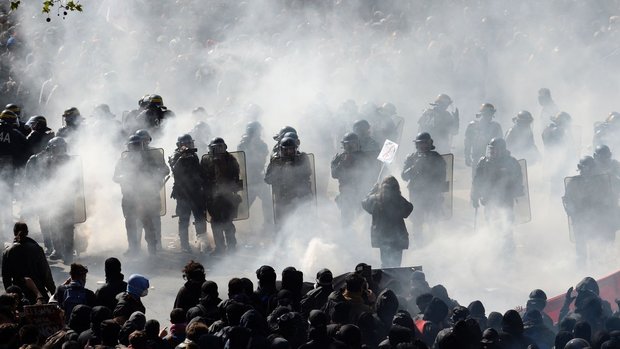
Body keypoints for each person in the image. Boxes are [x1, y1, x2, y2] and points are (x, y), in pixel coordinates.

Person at [113, 135, 169, 255]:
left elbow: (164, 170)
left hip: (145, 196)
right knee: (130, 224)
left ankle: (152, 249)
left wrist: (155, 177)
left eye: (137, 145)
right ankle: (133, 249)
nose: (135, 148)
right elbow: (115, 176)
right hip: (129, 197)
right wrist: (123, 177)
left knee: (148, 223)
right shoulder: (124, 159)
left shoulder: (149, 158)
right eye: (133, 145)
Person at [470, 138, 523, 253]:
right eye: (491, 149)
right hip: (488, 200)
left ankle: (508, 250)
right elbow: (477, 181)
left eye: (495, 150)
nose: (492, 152)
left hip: (506, 201)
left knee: (506, 225)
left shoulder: (511, 163)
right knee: (491, 223)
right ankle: (493, 247)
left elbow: (518, 182)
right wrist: (474, 196)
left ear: (502, 150)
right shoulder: (483, 162)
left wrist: (514, 192)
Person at [562, 156, 618, 263]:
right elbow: (567, 201)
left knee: (596, 249)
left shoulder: (601, 181)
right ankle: (580, 271)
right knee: (580, 252)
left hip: (597, 220)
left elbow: (609, 199)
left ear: (592, 168)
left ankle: (597, 270)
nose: (582, 170)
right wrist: (573, 212)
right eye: (580, 168)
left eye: (585, 168)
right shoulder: (574, 182)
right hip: (580, 221)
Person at [401, 132, 447, 246]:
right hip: (416, 194)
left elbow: (442, 177)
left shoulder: (436, 157)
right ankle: (418, 244)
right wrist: (414, 167)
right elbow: (404, 176)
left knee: (433, 220)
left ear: (430, 143)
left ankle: (434, 244)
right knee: (417, 220)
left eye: (425, 143)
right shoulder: (411, 158)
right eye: (420, 143)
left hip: (432, 193)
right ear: (417, 145)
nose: (423, 146)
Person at [201, 137, 243, 254]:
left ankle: (232, 247)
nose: (219, 150)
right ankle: (220, 248)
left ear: (225, 147)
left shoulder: (230, 160)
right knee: (215, 223)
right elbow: (203, 178)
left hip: (227, 197)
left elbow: (235, 178)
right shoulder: (206, 160)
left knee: (227, 222)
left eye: (221, 147)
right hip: (213, 198)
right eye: (215, 148)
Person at [42, 137, 80, 263]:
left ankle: (68, 252)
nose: (59, 151)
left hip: (67, 198)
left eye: (61, 148)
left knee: (68, 226)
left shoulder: (71, 161)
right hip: (52, 197)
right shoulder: (47, 162)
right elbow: (44, 179)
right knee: (53, 224)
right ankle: (57, 250)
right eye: (56, 148)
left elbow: (77, 180)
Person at [362, 176, 413, 267]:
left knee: (385, 264)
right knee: (396, 266)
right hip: (397, 239)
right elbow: (409, 209)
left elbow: (364, 203)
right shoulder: (398, 200)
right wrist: (398, 196)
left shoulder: (375, 199)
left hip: (382, 238)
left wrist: (373, 190)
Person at [265, 136, 314, 231]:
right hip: (283, 198)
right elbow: (267, 179)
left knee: (304, 223)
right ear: (281, 150)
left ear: (295, 149)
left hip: (300, 197)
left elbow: (308, 173)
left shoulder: (301, 159)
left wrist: (294, 170)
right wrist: (279, 172)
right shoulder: (276, 161)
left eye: (291, 150)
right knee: (282, 225)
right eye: (286, 150)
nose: (288, 153)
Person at [169, 134, 207, 253]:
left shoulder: (194, 155)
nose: (189, 146)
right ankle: (185, 245)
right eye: (186, 144)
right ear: (179, 145)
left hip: (195, 192)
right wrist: (182, 157)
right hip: (182, 193)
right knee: (184, 219)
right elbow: (174, 170)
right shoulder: (175, 156)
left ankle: (202, 243)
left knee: (200, 218)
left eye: (190, 143)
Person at [1, 222, 55, 304]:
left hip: (19, 295)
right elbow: (46, 273)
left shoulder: (8, 252)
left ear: (14, 232)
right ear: (27, 232)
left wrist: (10, 295)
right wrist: (53, 292)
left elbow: (6, 277)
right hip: (39, 293)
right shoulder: (37, 249)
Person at [331, 132, 377, 226]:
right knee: (346, 222)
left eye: (352, 144)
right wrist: (334, 165)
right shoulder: (340, 158)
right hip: (346, 195)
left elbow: (371, 173)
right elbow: (335, 175)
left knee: (363, 221)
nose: (350, 147)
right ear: (343, 145)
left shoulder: (364, 157)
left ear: (357, 144)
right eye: (347, 144)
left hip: (361, 194)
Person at [238, 121, 272, 233]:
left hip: (259, 179)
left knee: (268, 202)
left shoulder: (262, 145)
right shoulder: (243, 144)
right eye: (257, 131)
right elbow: (241, 157)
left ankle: (268, 226)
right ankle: (238, 229)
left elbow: (262, 159)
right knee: (242, 208)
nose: (259, 133)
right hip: (248, 181)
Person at [0, 109, 28, 239]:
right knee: (6, 200)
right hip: (8, 172)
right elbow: (26, 148)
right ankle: (6, 228)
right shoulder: (15, 134)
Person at [464, 103, 503, 173]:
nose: (488, 116)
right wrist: (467, 156)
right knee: (476, 180)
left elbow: (501, 143)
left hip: (493, 159)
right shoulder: (473, 125)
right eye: (486, 114)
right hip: (477, 158)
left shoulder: (496, 127)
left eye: (490, 114)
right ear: (482, 114)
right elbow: (467, 142)